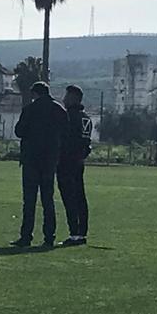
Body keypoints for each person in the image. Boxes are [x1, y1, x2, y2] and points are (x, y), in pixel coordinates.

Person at [11, 81, 68, 249]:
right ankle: (49, 236)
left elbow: (19, 131)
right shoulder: (59, 110)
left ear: (35, 93)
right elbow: (66, 133)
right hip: (50, 159)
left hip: (31, 159)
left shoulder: (30, 109)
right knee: (47, 199)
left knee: (29, 200)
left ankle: (26, 236)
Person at [58, 85, 93, 247]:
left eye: (66, 96)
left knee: (69, 197)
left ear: (73, 98)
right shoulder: (86, 118)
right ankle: (82, 232)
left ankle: (74, 233)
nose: (64, 99)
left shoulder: (69, 117)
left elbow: (64, 139)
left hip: (67, 161)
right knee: (80, 196)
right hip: (79, 161)